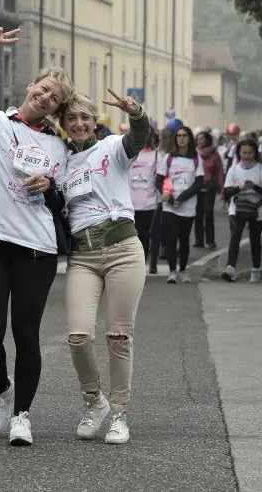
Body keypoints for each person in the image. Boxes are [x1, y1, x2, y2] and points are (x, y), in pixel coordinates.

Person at [0, 26, 73, 446]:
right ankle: (2, 390)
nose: (45, 98)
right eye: (43, 89)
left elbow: (63, 206)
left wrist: (52, 190)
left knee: (26, 333)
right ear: (31, 87)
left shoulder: (60, 148)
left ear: (56, 109)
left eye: (54, 99)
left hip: (36, 249)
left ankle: (22, 415)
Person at [60, 90, 149, 444]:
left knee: (119, 336)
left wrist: (137, 113)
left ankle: (119, 414)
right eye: (71, 119)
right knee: (78, 336)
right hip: (82, 255)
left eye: (85, 117)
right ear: (63, 125)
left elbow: (139, 136)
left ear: (95, 120)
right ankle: (94, 401)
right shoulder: (61, 162)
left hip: (123, 249)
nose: (79, 124)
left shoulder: (112, 148)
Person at [156, 125, 204, 284]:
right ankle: (172, 271)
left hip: (187, 206)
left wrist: (182, 198)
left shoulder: (196, 159)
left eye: (184, 135)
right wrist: (169, 196)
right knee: (171, 238)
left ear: (190, 139)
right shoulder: (169, 158)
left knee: (184, 240)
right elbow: (159, 180)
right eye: (179, 136)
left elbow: (199, 183)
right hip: (169, 205)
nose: (181, 138)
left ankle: (183, 270)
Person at [221, 139, 262, 282]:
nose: (247, 156)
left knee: (255, 239)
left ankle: (255, 269)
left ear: (255, 153)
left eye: (250, 153)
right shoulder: (233, 169)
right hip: (238, 207)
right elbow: (226, 192)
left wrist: (254, 187)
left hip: (258, 208)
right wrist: (239, 188)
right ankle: (230, 267)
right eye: (244, 153)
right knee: (235, 235)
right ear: (239, 153)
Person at [130, 126, 161, 273]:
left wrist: (166, 194)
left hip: (149, 203)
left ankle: (143, 265)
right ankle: (134, 264)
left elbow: (162, 179)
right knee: (131, 237)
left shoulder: (156, 155)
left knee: (144, 235)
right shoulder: (129, 153)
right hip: (129, 204)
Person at [194, 130, 224, 249]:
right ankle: (199, 240)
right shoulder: (193, 153)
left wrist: (222, 189)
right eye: (198, 139)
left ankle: (210, 240)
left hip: (209, 188)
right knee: (197, 215)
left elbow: (219, 172)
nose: (199, 141)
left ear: (208, 140)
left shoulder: (214, 155)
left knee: (208, 213)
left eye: (202, 139)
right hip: (196, 188)